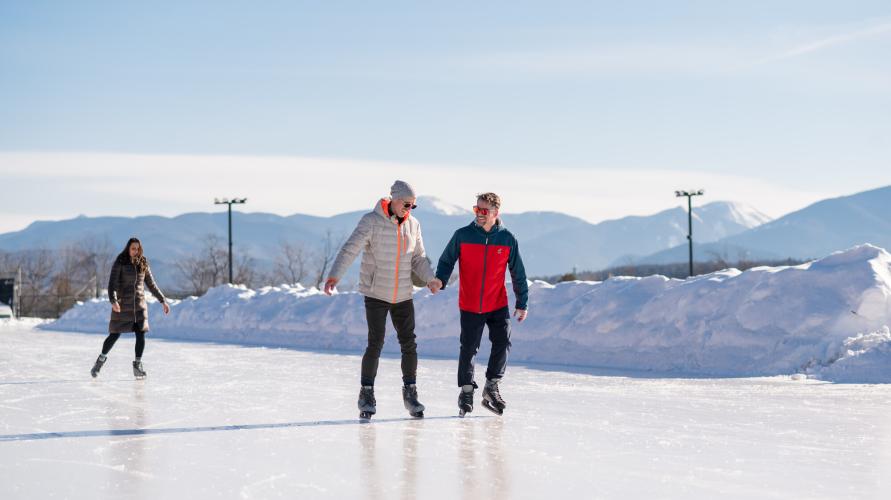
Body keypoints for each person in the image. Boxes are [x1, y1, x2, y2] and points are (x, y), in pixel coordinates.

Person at [325, 180, 437, 419]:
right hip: (376, 293)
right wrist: (335, 275)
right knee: (375, 342)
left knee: (409, 343)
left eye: (413, 205)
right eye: (406, 203)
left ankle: (411, 392)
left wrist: (430, 279)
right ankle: (366, 394)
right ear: (394, 199)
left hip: (404, 294)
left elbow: (419, 258)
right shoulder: (371, 222)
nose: (409, 208)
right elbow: (350, 249)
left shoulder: (414, 225)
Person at [430, 192, 528, 416]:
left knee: (502, 342)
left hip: (497, 302)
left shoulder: (507, 239)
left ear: (495, 213)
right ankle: (466, 391)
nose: (479, 215)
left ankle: (491, 386)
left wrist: (522, 302)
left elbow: (518, 273)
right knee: (469, 348)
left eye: (484, 211)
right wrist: (439, 280)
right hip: (470, 302)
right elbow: (446, 261)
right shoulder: (462, 235)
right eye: (477, 210)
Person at [91, 237, 170, 379]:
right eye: (133, 248)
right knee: (114, 334)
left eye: (138, 248)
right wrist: (113, 301)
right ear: (128, 248)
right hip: (122, 306)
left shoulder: (143, 263)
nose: (136, 251)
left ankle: (137, 365)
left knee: (141, 334)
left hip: (139, 306)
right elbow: (112, 285)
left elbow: (151, 284)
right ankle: (100, 360)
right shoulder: (120, 262)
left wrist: (162, 300)